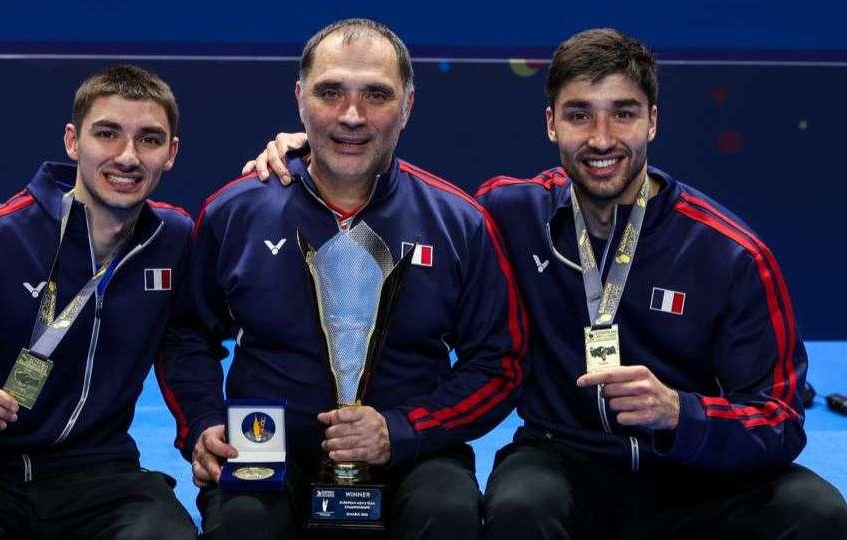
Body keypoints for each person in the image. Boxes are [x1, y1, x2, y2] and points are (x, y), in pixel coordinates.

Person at [248, 27, 847, 540]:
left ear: (654, 121)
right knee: (516, 507)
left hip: (704, 477)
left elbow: (780, 419)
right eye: (579, 113)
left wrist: (680, 413)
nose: (602, 137)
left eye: (624, 113)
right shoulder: (507, 214)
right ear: (550, 123)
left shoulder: (733, 255)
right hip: (566, 461)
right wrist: (314, 155)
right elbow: (399, 194)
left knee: (817, 513)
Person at [161, 18, 527, 540]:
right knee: (242, 523)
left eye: (376, 95)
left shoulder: (459, 221)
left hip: (411, 452)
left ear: (407, 106)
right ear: (299, 98)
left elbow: (500, 363)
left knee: (447, 513)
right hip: (264, 443)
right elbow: (185, 333)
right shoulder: (235, 209)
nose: (351, 116)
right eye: (330, 92)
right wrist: (201, 424)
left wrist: (404, 430)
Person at [0, 65, 198, 539]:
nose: (128, 157)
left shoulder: (173, 239)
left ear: (171, 153)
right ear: (73, 141)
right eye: (108, 134)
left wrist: (296, 152)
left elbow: (186, 350)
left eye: (150, 139)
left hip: (100, 471)